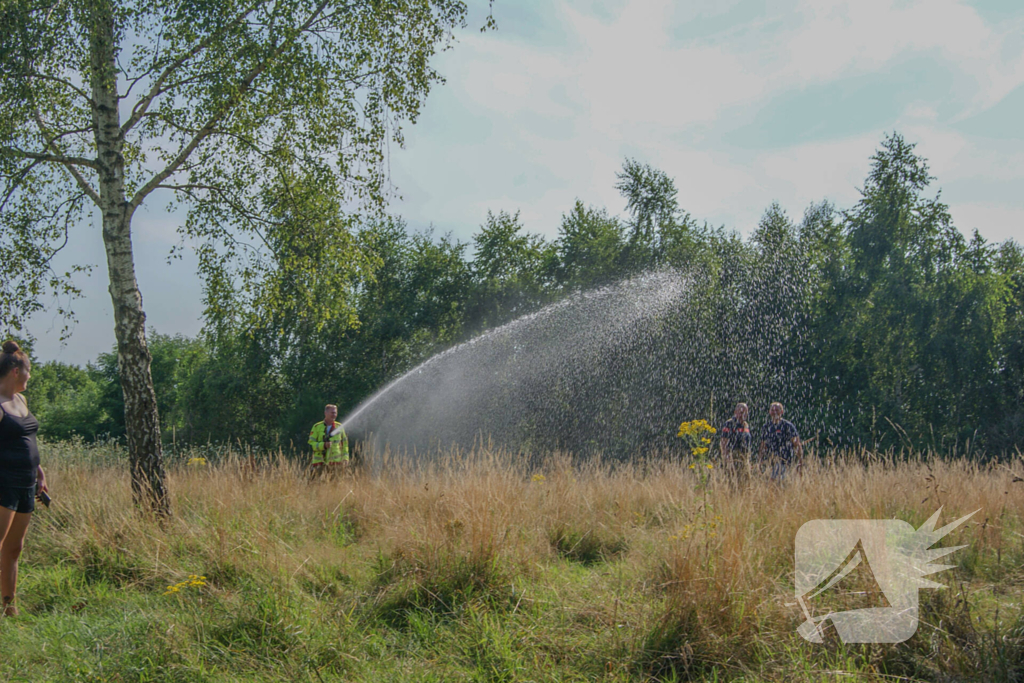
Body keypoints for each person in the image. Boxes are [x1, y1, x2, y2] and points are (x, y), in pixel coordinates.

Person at [0, 341, 48, 617]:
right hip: (3, 482)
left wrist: (38, 470)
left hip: (27, 482)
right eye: (29, 371)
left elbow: (26, 438)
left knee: (13, 549)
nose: (30, 376)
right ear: (16, 371)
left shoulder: (21, 400)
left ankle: (9, 609)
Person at [759, 402, 802, 481]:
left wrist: (800, 462)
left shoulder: (787, 426)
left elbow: (797, 444)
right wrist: (760, 461)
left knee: (779, 483)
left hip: (785, 462)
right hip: (770, 463)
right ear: (769, 412)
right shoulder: (766, 427)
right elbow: (763, 445)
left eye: (777, 410)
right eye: (772, 410)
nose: (775, 412)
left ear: (782, 412)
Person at [308, 404, 348, 476]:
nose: (334, 415)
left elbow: (345, 445)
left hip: (336, 464)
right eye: (332, 413)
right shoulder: (316, 427)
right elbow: (311, 444)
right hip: (319, 464)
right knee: (315, 482)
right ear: (325, 413)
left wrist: (345, 459)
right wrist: (323, 445)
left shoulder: (339, 427)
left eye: (335, 413)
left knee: (335, 483)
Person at [719, 402, 751, 470]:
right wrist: (726, 458)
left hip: (744, 458)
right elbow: (723, 442)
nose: (743, 415)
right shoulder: (729, 424)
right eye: (741, 412)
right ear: (735, 412)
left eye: (745, 413)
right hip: (732, 458)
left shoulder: (746, 425)